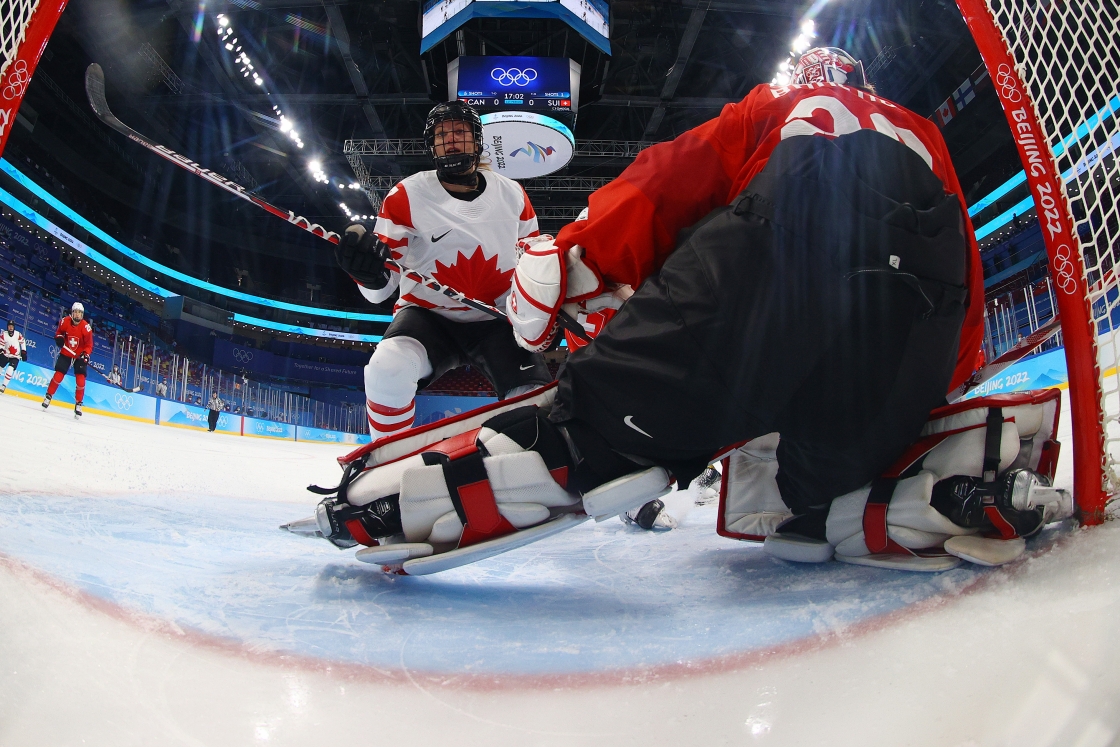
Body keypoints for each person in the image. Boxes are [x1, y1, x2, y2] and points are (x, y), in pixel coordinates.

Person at [295, 48, 1067, 572]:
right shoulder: (926, 132)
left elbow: (667, 182)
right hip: (919, 313)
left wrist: (579, 256)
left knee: (588, 422)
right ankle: (934, 483)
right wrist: (937, 387)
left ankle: (382, 505)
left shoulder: (782, 102)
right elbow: (963, 273)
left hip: (782, 243)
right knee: (806, 490)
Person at [332, 100, 552, 440]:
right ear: (430, 144)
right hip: (428, 316)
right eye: (441, 134)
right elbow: (379, 291)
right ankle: (385, 466)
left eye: (459, 132)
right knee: (387, 368)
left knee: (532, 404)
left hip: (498, 320)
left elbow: (531, 264)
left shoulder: (514, 195)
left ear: (477, 141)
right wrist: (365, 271)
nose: (450, 140)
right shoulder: (405, 195)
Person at [42, 302, 92, 418]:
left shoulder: (86, 327)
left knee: (81, 381)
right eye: (76, 312)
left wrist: (86, 354)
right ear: (72, 312)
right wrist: (59, 338)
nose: (78, 315)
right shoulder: (65, 321)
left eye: (80, 313)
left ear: (82, 314)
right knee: (58, 375)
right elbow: (59, 333)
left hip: (79, 355)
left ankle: (79, 403)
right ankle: (48, 396)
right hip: (66, 352)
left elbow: (89, 345)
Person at [0, 320, 27, 394]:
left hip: (15, 356)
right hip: (6, 355)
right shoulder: (3, 335)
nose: (11, 328)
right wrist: (1, 350)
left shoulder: (18, 334)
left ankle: (4, 386)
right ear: (7, 327)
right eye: (9, 326)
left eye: (12, 326)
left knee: (10, 369)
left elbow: (23, 342)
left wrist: (24, 351)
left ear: (14, 327)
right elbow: (1, 344)